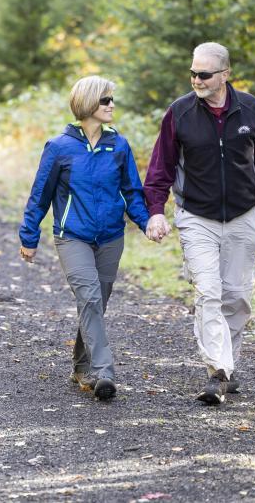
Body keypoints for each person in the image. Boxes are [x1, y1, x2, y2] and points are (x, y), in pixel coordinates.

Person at [143, 42, 255, 405]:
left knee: (237, 297)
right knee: (209, 292)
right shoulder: (180, 113)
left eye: (204, 74)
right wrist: (156, 210)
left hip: (244, 216)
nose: (196, 80)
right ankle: (217, 370)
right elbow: (160, 168)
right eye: (192, 73)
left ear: (225, 75)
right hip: (196, 217)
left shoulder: (250, 108)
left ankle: (227, 366)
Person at [19, 75, 151, 401]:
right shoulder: (59, 147)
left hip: (110, 237)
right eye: (106, 100)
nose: (112, 106)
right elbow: (40, 196)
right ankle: (104, 372)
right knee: (89, 298)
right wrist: (29, 236)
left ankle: (80, 366)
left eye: (111, 100)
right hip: (72, 237)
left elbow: (132, 192)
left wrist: (147, 223)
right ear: (89, 103)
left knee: (96, 303)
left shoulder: (117, 145)